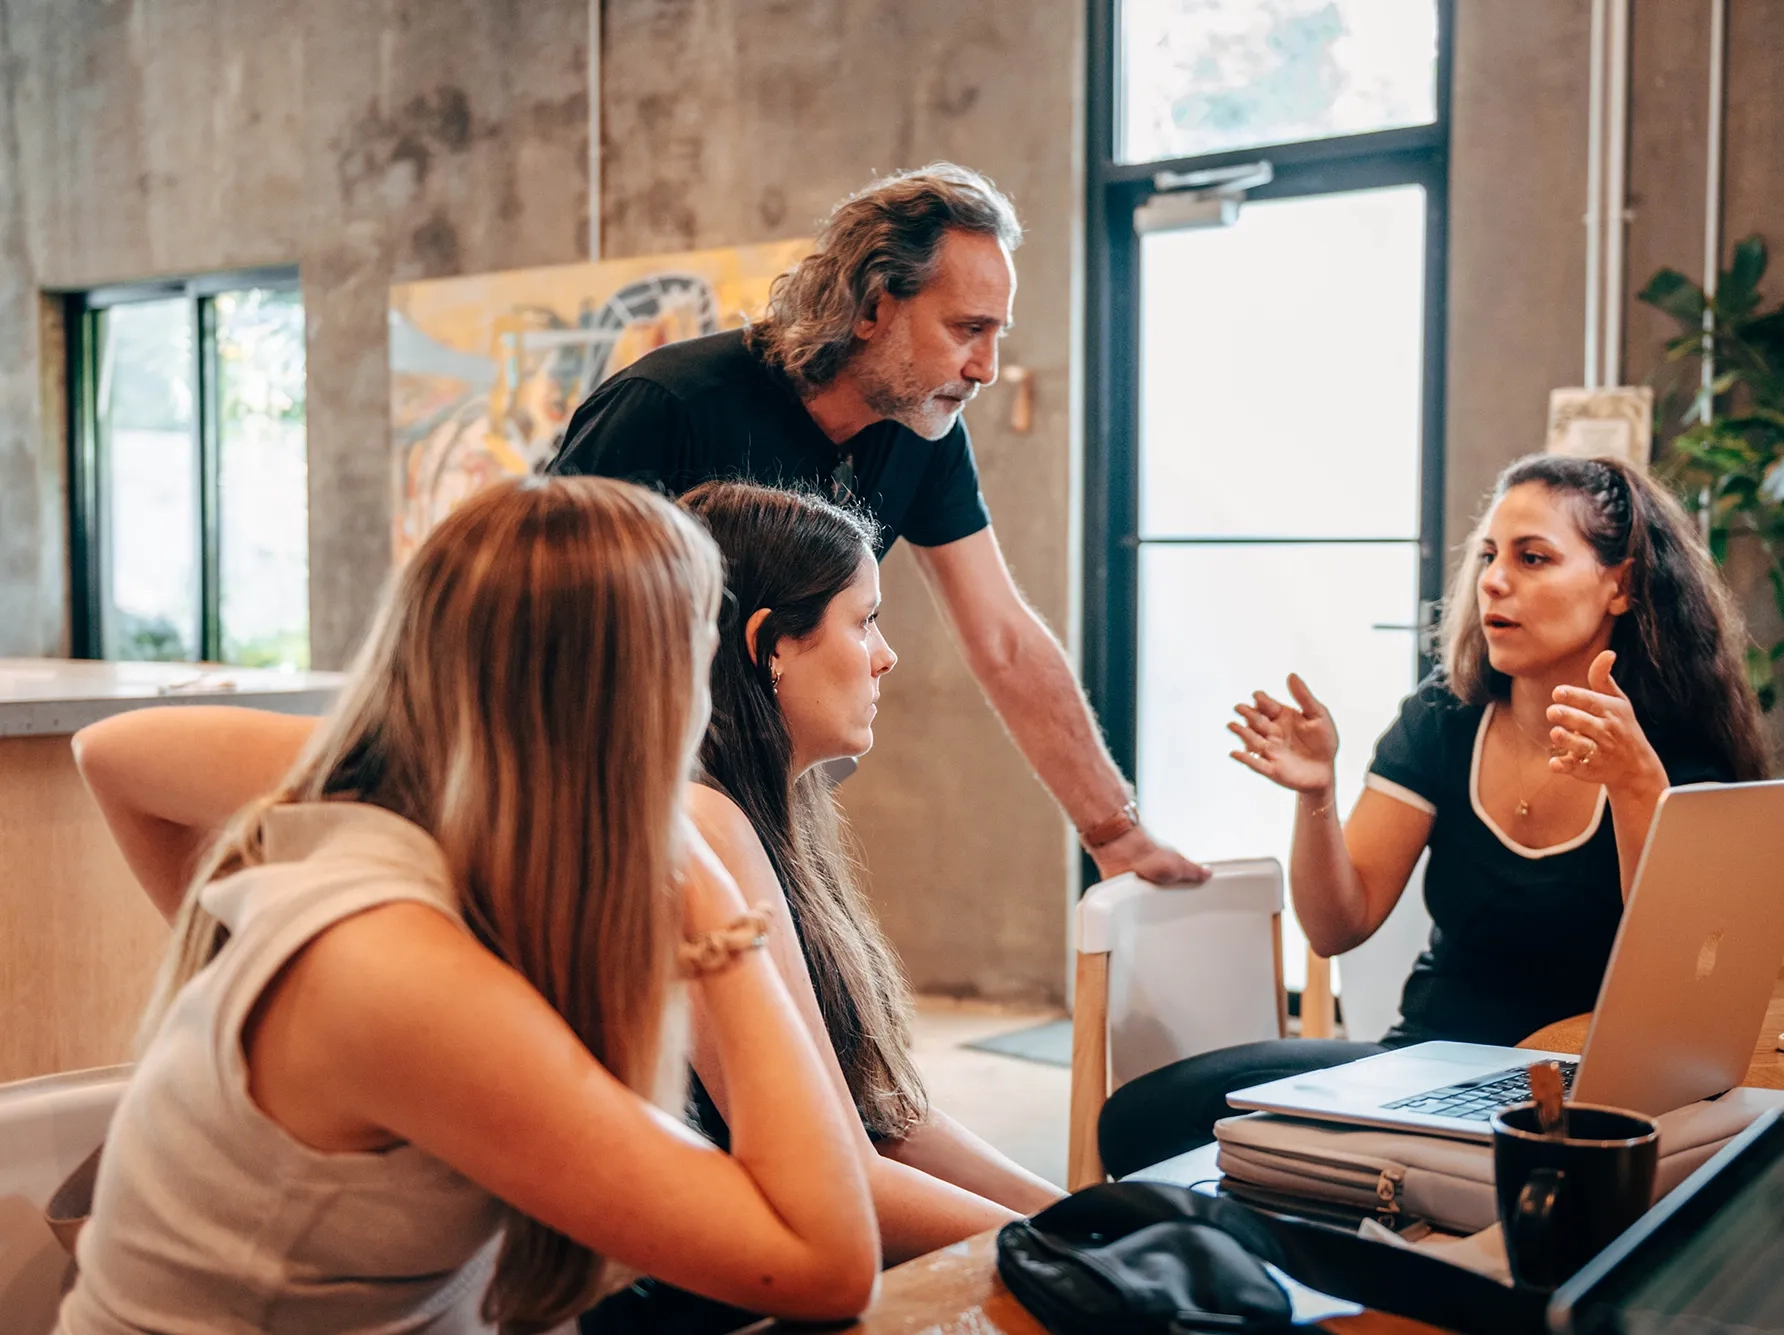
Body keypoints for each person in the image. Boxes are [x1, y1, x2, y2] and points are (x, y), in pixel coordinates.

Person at [60, 476, 879, 1334]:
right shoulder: (393, 972)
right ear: (636, 708)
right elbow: (826, 1260)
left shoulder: (434, 854)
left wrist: (465, 759)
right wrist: (712, 906)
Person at [1094, 453, 1769, 1178]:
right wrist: (1316, 795)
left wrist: (1638, 785)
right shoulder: (1445, 720)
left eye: (1533, 557)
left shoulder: (1678, 751)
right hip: (1425, 1074)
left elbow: (1676, 979)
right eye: (1489, 556)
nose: (1494, 580)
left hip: (1596, 1099)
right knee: (1147, 1117)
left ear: (1622, 585)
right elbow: (1335, 927)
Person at [549, 162, 1203, 886]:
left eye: (997, 335)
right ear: (872, 308)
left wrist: (1116, 834)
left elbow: (1004, 638)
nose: (986, 367)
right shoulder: (667, 405)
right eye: (967, 329)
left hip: (767, 800)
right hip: (611, 807)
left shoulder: (925, 436)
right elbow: (546, 630)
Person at [584, 480, 1066, 1330]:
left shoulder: (775, 804)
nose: (886, 656)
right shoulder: (703, 820)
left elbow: (882, 1118)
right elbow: (846, 1169)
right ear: (769, 643)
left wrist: (1073, 1214)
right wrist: (1072, 1250)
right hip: (685, 1292)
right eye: (865, 620)